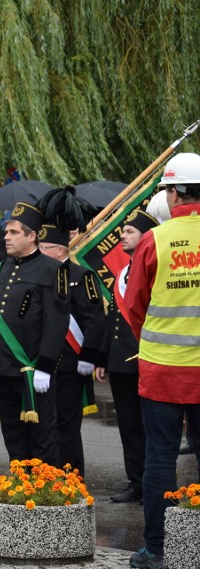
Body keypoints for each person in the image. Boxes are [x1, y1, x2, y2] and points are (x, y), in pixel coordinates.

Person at [124, 153, 200, 569]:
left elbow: (134, 305)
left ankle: (157, 548)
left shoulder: (157, 239)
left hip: (162, 372)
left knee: (160, 460)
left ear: (174, 193)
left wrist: (152, 343)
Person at [0, 202, 68, 466]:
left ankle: (45, 495)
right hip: (3, 369)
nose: (6, 237)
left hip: (33, 370)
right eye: (6, 232)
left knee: (43, 438)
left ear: (31, 236)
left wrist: (46, 366)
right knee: (13, 435)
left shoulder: (52, 269)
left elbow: (56, 322)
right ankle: (20, 490)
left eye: (14, 232)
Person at [94, 209, 159, 504]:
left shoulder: (154, 270)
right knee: (129, 426)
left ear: (146, 237)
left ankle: (154, 484)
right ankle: (136, 481)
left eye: (130, 231)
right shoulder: (122, 273)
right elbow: (113, 321)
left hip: (146, 359)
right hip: (120, 363)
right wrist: (103, 358)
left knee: (151, 426)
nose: (123, 235)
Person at [37, 223, 103, 477]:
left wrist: (88, 356)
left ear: (57, 249)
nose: (39, 252)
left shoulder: (81, 275)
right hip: (43, 362)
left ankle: (71, 477)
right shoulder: (41, 274)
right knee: (45, 424)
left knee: (66, 424)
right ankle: (49, 475)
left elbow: (95, 319)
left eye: (43, 248)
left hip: (71, 364)